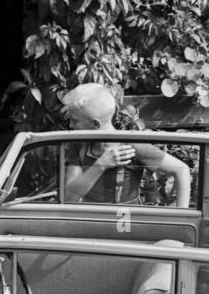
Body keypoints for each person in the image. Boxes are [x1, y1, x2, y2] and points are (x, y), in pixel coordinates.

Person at [62, 82, 192, 208]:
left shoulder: (133, 146)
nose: (71, 125)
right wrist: (100, 165)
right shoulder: (80, 145)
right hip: (92, 220)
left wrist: (184, 219)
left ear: (95, 124)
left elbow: (182, 170)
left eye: (75, 120)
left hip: (126, 224)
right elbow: (69, 196)